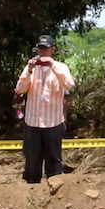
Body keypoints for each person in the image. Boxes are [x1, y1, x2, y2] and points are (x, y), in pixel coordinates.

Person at [15, 34, 75, 184]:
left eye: (46, 49)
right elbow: (19, 90)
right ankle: (32, 189)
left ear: (52, 50)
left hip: (53, 122)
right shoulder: (31, 67)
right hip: (33, 122)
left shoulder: (61, 67)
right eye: (40, 49)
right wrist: (28, 71)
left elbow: (69, 85)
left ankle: (55, 191)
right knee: (32, 160)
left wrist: (52, 66)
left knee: (54, 159)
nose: (42, 52)